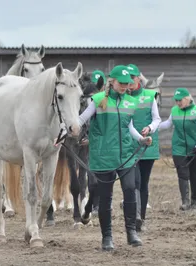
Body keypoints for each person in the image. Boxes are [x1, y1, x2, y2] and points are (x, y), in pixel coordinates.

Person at [78, 65, 152, 251]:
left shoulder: (130, 101)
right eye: (121, 83)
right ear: (112, 81)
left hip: (125, 155)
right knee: (106, 197)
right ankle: (107, 237)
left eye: (127, 84)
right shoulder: (98, 100)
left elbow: (130, 127)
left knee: (129, 189)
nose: (125, 86)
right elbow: (80, 120)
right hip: (104, 156)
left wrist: (142, 139)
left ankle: (131, 233)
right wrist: (67, 131)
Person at [125, 64, 161, 231]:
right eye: (127, 78)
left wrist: (150, 128)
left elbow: (157, 119)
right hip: (127, 146)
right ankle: (135, 216)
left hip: (147, 146)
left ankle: (141, 219)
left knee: (143, 183)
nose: (130, 81)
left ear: (139, 78)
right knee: (134, 182)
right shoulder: (121, 97)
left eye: (133, 77)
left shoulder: (149, 96)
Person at [158, 88, 196, 210]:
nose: (178, 103)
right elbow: (168, 124)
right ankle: (185, 202)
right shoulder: (174, 110)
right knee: (182, 174)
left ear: (187, 99)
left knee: (194, 175)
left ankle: (194, 202)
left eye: (180, 101)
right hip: (178, 148)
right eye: (176, 101)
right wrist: (152, 127)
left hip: (195, 149)